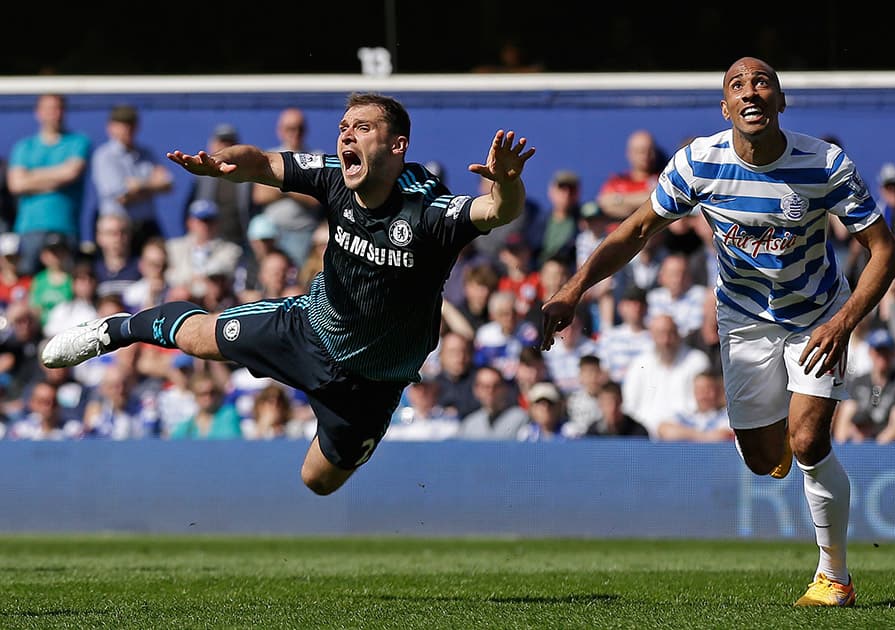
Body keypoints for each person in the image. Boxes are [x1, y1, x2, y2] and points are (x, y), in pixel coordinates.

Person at [42, 92, 535, 495]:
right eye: (344, 126)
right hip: (309, 327)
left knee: (317, 481)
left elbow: (496, 211)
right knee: (199, 339)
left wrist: (508, 183)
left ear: (398, 145)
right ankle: (111, 330)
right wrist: (223, 163)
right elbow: (259, 161)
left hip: (373, 382)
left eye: (362, 127)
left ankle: (337, 424)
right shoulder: (333, 176)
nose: (346, 133)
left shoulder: (429, 212)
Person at [539, 58, 895, 607]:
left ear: (781, 102)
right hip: (744, 321)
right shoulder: (697, 164)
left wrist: (843, 322)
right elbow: (636, 229)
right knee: (761, 459)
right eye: (738, 86)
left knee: (809, 440)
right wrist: (574, 287)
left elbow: (885, 251)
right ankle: (777, 443)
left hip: (817, 316)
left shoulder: (825, 163)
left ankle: (835, 578)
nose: (751, 92)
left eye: (763, 83)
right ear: (725, 107)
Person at [6, 94, 91, 276]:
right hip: (29, 230)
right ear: (38, 113)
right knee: (27, 284)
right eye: (49, 109)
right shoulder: (24, 147)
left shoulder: (78, 142)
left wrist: (32, 174)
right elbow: (16, 184)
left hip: (65, 227)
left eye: (59, 108)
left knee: (65, 287)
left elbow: (71, 173)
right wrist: (56, 178)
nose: (55, 113)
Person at [91, 103, 174, 252]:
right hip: (118, 229)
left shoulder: (146, 153)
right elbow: (121, 196)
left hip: (146, 226)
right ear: (110, 127)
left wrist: (139, 186)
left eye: (130, 124)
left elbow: (168, 184)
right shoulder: (104, 156)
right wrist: (152, 187)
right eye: (122, 124)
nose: (126, 129)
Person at [252, 108, 325, 267]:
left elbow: (317, 199)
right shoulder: (270, 156)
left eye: (300, 128)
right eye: (290, 128)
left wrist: (281, 185)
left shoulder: (316, 157)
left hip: (303, 233)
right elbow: (260, 195)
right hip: (271, 233)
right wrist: (299, 186)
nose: (295, 133)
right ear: (280, 131)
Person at [184, 124, 255, 248]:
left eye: (230, 143)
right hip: (209, 243)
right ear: (212, 144)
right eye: (222, 142)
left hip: (241, 241)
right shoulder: (201, 177)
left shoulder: (248, 175)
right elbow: (189, 209)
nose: (225, 147)